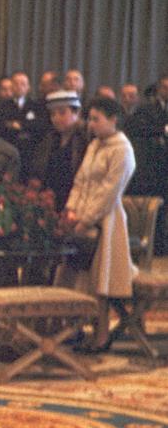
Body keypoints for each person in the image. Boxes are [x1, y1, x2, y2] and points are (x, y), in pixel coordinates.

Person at [59, 97, 137, 348]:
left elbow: (108, 192)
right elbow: (80, 181)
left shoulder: (122, 149)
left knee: (98, 281)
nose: (91, 124)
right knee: (74, 275)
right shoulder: (94, 145)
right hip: (81, 216)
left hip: (106, 221)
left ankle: (101, 335)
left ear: (113, 120)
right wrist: (71, 211)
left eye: (96, 119)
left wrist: (86, 220)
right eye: (90, 119)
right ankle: (74, 329)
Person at [28, 90, 89, 208]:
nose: (56, 118)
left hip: (76, 202)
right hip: (50, 201)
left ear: (76, 113)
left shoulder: (85, 139)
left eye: (62, 113)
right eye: (52, 114)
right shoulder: (49, 139)